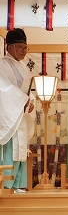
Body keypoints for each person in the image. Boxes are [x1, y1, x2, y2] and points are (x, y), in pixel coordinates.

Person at [0, 28, 35, 194]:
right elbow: (4, 89)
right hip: (9, 112)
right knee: (11, 147)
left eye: (25, 47)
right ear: (10, 47)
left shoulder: (22, 67)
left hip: (20, 111)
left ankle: (18, 184)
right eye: (21, 47)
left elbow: (26, 89)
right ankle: (7, 185)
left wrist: (31, 100)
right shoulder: (3, 64)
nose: (24, 51)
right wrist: (23, 100)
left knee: (21, 147)